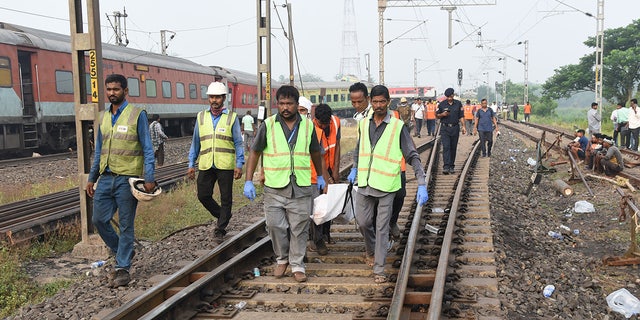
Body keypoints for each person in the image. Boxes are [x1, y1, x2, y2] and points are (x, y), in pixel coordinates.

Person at [347, 84, 428, 283]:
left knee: (382, 227)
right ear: (371, 102)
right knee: (364, 223)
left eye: (382, 101)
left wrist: (421, 181)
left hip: (387, 186)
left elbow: (412, 154)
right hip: (365, 183)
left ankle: (379, 268)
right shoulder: (363, 123)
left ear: (388, 102)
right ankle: (371, 250)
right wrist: (355, 168)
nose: (378, 105)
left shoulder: (397, 126)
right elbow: (359, 150)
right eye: (375, 101)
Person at [243, 85, 325, 283]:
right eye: (282, 103)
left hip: (301, 186)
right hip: (274, 186)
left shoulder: (307, 126)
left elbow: (315, 151)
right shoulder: (268, 125)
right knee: (274, 225)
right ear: (277, 104)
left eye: (289, 103)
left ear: (297, 105)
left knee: (299, 227)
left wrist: (321, 176)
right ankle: (282, 259)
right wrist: (248, 180)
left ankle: (297, 264)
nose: (285, 107)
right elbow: (255, 151)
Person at [85, 74, 156, 288]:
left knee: (126, 225)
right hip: (106, 178)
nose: (111, 93)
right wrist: (92, 177)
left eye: (115, 89)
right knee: (98, 219)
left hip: (128, 179)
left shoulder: (137, 114)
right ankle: (123, 251)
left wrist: (150, 177)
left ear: (125, 91)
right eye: (108, 89)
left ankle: (123, 268)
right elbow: (99, 150)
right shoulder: (103, 117)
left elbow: (147, 148)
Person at [187, 82, 244, 241]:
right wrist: (191, 164)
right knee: (203, 195)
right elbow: (195, 142)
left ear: (223, 98)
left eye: (218, 97)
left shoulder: (231, 118)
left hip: (225, 164)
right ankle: (222, 215)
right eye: (212, 97)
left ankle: (220, 228)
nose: (214, 100)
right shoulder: (201, 116)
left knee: (226, 198)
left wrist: (239, 164)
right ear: (208, 98)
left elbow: (238, 142)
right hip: (206, 163)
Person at [308, 103, 340, 255]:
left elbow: (337, 146)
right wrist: (325, 180)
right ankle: (317, 240)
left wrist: (335, 171)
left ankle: (325, 235)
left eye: (325, 123)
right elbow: (319, 157)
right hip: (315, 173)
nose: (324, 125)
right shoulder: (311, 129)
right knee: (317, 209)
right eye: (321, 123)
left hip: (327, 168)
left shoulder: (335, 123)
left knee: (328, 206)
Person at [437, 88, 466, 174]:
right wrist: (443, 114)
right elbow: (437, 115)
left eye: (451, 96)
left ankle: (451, 166)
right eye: (448, 97)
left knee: (453, 148)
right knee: (446, 147)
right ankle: (446, 166)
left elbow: (461, 116)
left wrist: (464, 126)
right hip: (445, 128)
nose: (449, 98)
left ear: (453, 95)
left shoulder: (458, 104)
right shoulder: (442, 104)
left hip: (455, 128)